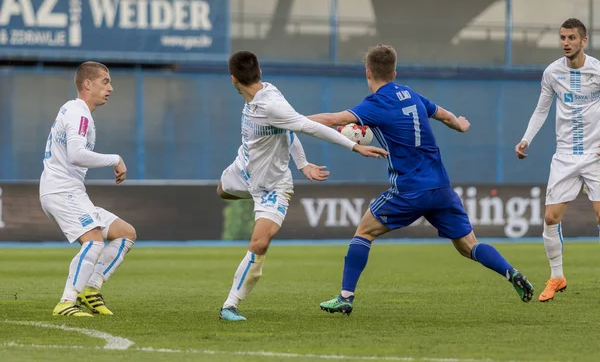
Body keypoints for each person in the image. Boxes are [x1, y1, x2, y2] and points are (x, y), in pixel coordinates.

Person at [308, 44, 534, 315]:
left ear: (368, 73)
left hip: (409, 189)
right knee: (469, 246)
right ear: (394, 72)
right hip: (441, 187)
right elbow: (445, 115)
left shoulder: (376, 104)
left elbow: (333, 119)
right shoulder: (411, 95)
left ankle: (345, 297)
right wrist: (460, 125)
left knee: (364, 232)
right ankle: (511, 272)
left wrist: (289, 121)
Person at [217, 50, 389, 321]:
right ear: (259, 73)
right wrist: (304, 164)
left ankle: (230, 304)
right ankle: (251, 196)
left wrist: (353, 146)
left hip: (273, 187)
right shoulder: (256, 100)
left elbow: (309, 127)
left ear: (232, 80)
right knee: (221, 191)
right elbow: (287, 128)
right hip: (243, 169)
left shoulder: (272, 102)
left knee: (260, 243)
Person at [39, 61, 136, 317]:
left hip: (69, 191)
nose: (111, 88)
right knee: (93, 241)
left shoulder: (74, 110)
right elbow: (76, 154)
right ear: (87, 84)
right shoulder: (79, 112)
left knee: (125, 233)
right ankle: (66, 302)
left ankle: (90, 289)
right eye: (105, 82)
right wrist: (115, 159)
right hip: (61, 191)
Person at [515, 18, 600, 302]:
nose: (566, 42)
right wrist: (526, 139)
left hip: (595, 155)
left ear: (583, 41)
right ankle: (557, 276)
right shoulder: (552, 72)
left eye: (572, 38)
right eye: (562, 37)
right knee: (550, 218)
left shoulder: (597, 71)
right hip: (564, 156)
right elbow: (541, 110)